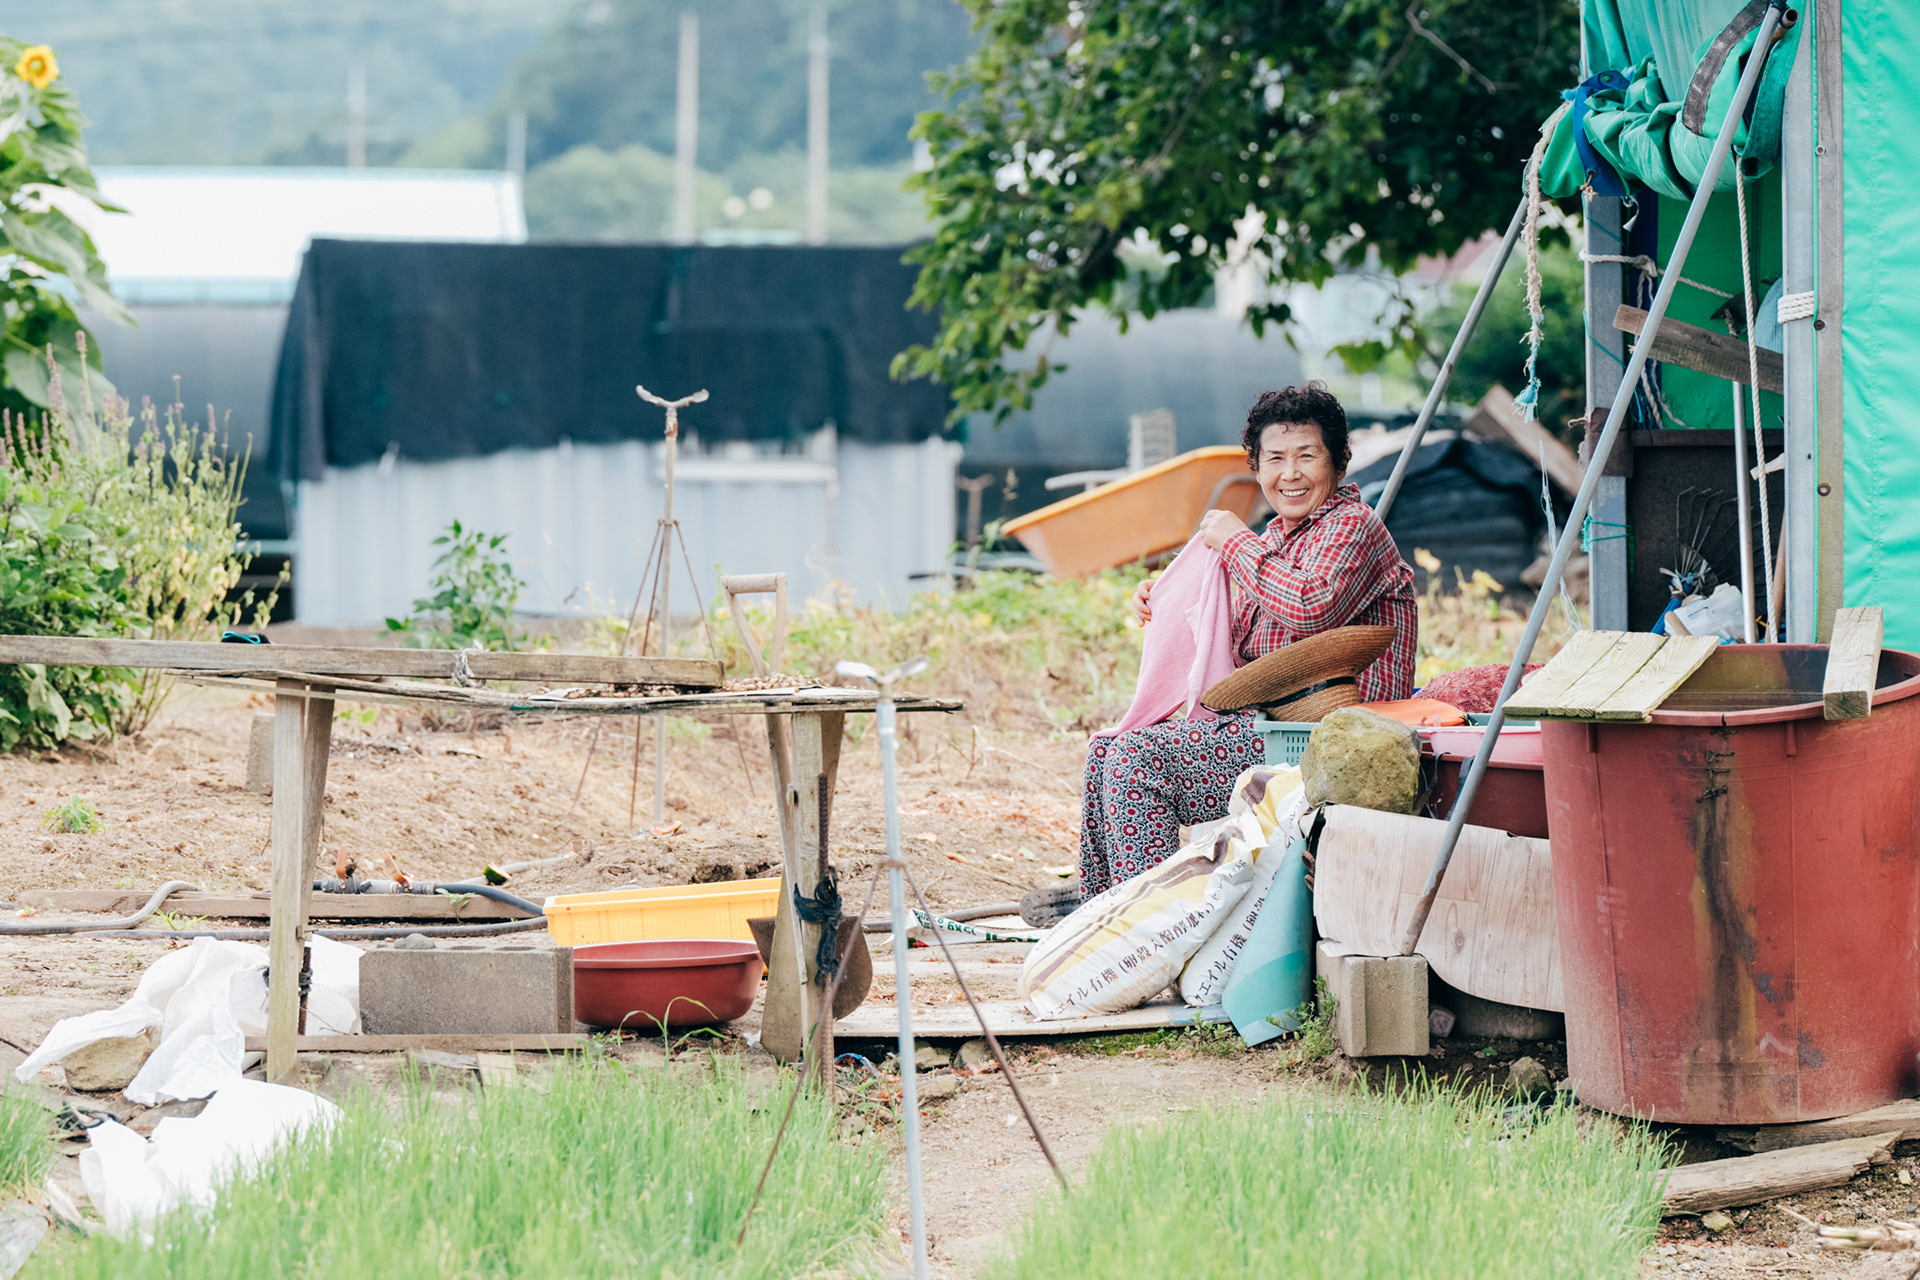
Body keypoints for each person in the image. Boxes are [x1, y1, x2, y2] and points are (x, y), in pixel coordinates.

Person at [1076, 382, 1418, 899]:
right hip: (1272, 730)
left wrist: (1235, 539)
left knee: (1135, 759)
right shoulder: (1276, 538)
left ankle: (1156, 920)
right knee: (1106, 751)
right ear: (1257, 469)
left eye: (1307, 456)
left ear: (1339, 462)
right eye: (1274, 459)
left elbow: (1310, 606)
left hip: (1335, 740)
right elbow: (1230, 641)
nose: (1290, 473)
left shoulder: (1353, 525)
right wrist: (1166, 599)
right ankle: (1102, 913)